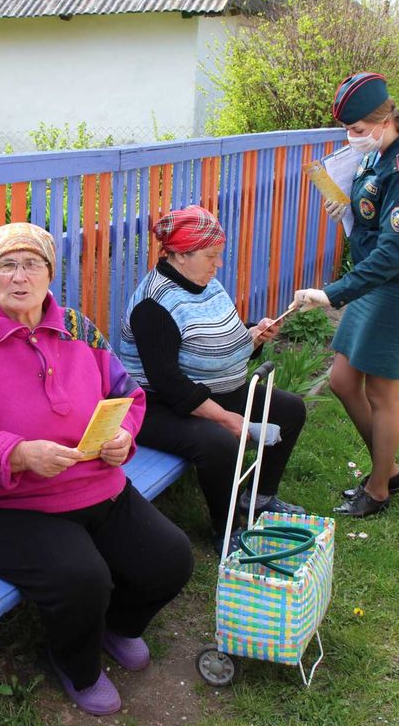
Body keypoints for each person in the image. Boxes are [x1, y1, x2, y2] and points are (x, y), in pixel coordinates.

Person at [0, 222, 194, 716]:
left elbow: (127, 393)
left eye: (32, 264)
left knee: (170, 559)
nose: (19, 277)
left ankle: (117, 627)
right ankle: (76, 665)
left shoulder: (79, 329)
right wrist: (17, 455)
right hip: (6, 505)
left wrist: (123, 435)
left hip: (96, 486)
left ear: (49, 273)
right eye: (6, 266)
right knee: (82, 579)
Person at [115, 205, 309, 556]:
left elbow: (221, 340)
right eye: (211, 256)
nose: (217, 265)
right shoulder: (153, 306)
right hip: (155, 405)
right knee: (218, 442)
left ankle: (260, 498)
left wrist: (253, 336)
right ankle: (227, 530)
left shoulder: (205, 284)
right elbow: (169, 383)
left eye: (218, 256)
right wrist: (224, 418)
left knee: (291, 409)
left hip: (208, 391)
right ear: (180, 255)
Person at [292, 71, 399, 518]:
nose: (351, 139)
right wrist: (347, 205)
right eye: (348, 131)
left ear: (383, 121)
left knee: (381, 393)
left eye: (356, 131)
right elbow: (374, 211)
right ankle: (387, 466)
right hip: (372, 282)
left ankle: (379, 488)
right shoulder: (376, 154)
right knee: (341, 381)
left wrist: (331, 293)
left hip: (395, 287)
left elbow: (392, 255)